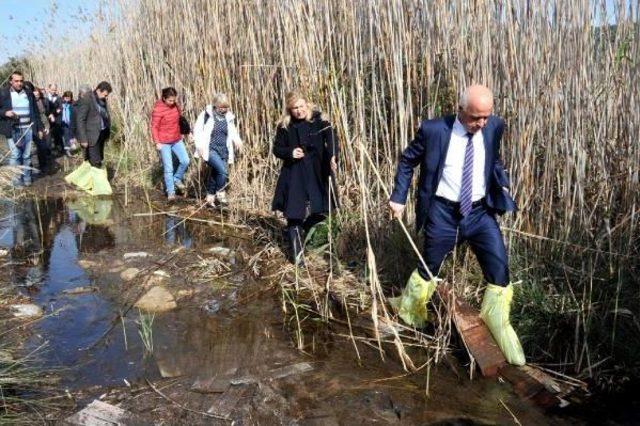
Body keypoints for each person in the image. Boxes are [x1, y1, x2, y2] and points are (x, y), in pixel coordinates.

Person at [388, 84, 524, 366]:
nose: (482, 123)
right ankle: (410, 313)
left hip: (479, 212)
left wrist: (504, 183)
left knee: (499, 267)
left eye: (486, 117)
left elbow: (494, 159)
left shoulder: (494, 127)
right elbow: (407, 161)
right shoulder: (434, 130)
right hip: (443, 211)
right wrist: (398, 197)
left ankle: (496, 317)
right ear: (460, 109)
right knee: (430, 267)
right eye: (476, 117)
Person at [271, 91, 339, 266]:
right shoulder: (285, 125)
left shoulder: (320, 120)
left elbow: (332, 139)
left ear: (307, 105)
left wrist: (332, 156)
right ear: (289, 109)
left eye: (301, 106)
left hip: (317, 171)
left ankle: (301, 231)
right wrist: (290, 152)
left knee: (323, 211)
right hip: (294, 173)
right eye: (295, 108)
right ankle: (298, 257)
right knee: (294, 215)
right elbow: (277, 149)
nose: (299, 111)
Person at [193, 92, 243, 206]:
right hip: (210, 149)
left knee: (216, 173)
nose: (224, 109)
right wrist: (199, 146)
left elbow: (233, 132)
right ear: (215, 105)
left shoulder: (228, 117)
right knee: (223, 172)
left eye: (226, 107)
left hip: (224, 150)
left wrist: (238, 141)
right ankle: (220, 192)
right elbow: (197, 130)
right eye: (222, 107)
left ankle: (210, 197)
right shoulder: (206, 115)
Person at [65, 81, 113, 196]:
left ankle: (85, 182)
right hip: (90, 136)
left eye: (107, 95)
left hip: (101, 134)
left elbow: (104, 115)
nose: (106, 97)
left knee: (99, 159)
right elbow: (80, 120)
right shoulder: (87, 99)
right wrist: (83, 139)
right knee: (95, 161)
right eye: (105, 94)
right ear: (98, 90)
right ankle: (100, 190)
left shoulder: (102, 100)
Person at [0, 71, 44, 186]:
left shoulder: (28, 93)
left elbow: (35, 112)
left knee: (27, 155)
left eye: (21, 81)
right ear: (11, 81)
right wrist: (5, 113)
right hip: (12, 128)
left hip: (28, 128)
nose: (19, 83)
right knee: (15, 155)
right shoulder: (3, 93)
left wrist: (39, 128)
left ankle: (27, 179)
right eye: (16, 81)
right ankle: (16, 182)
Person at [150, 87, 190, 201]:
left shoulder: (176, 106)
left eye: (174, 100)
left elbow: (180, 120)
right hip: (164, 142)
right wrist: (157, 142)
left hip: (176, 139)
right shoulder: (158, 110)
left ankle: (176, 178)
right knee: (168, 168)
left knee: (185, 160)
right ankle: (171, 192)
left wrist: (186, 132)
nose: (172, 103)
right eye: (170, 101)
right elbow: (154, 127)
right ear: (164, 98)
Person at [28, 84, 54, 174]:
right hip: (34, 125)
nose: (36, 97)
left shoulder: (45, 101)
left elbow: (47, 112)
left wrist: (47, 125)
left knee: (47, 143)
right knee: (37, 146)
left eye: (38, 95)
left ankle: (47, 162)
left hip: (44, 122)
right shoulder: (29, 103)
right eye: (34, 95)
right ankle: (34, 167)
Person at [46, 83, 63, 154]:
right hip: (47, 119)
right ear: (49, 89)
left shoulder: (58, 98)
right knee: (48, 135)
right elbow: (45, 109)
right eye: (52, 90)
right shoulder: (45, 98)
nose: (54, 91)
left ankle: (60, 149)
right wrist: (50, 115)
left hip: (57, 119)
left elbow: (60, 107)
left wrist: (57, 111)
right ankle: (48, 151)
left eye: (55, 90)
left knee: (58, 134)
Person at [60, 91, 77, 156]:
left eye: (68, 98)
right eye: (66, 98)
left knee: (71, 136)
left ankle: (71, 148)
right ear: (64, 97)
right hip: (64, 123)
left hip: (71, 123)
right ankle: (67, 151)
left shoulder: (73, 104)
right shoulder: (61, 104)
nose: (67, 99)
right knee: (66, 137)